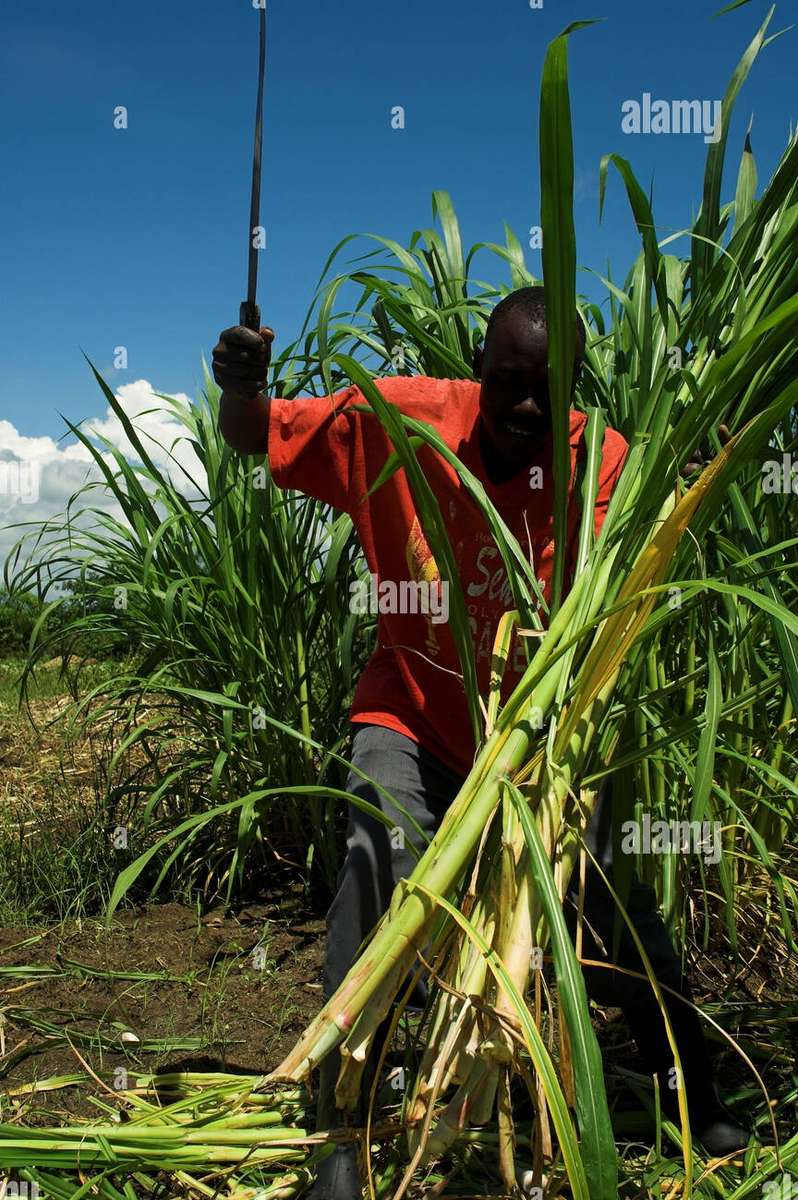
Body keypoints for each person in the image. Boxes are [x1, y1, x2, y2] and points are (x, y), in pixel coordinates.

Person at [213, 287, 749, 1197]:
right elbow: (255, 432)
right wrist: (240, 383)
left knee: (611, 904)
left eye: (548, 389)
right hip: (416, 711)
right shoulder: (397, 423)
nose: (527, 408)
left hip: (547, 738)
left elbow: (649, 551)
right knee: (374, 854)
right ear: (478, 366)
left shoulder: (602, 465)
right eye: (507, 383)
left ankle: (687, 1085)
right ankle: (341, 1132)